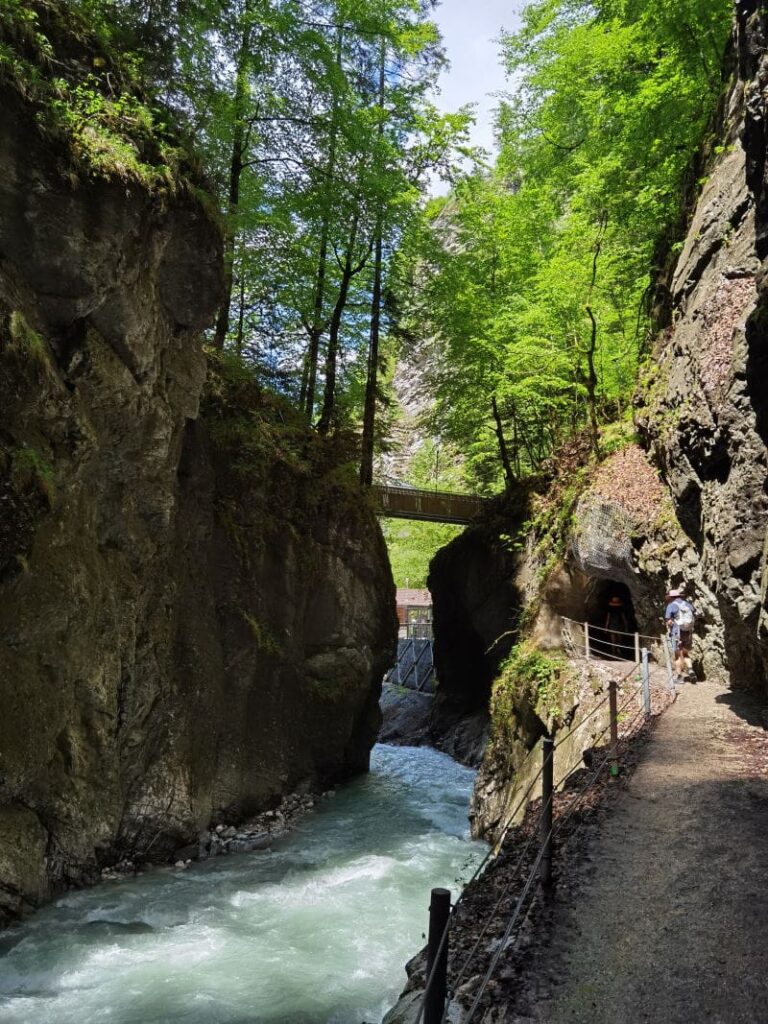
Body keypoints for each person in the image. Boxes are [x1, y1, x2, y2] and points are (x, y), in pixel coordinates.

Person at [665, 587, 696, 683]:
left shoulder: (671, 605)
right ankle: (691, 670)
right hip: (688, 632)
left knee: (678, 655)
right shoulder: (687, 604)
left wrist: (669, 624)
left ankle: (679, 677)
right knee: (685, 653)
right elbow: (695, 613)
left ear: (671, 597)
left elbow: (668, 620)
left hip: (677, 632)